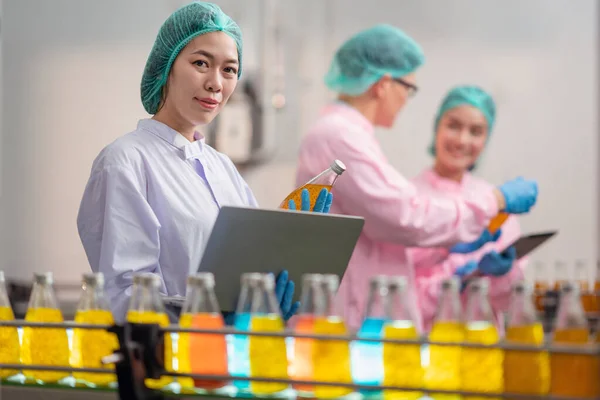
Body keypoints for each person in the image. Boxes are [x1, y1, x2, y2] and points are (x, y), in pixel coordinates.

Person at [76, 2, 332, 323]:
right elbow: (126, 292)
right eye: (201, 63)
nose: (216, 83)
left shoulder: (222, 168)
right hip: (169, 358)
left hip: (228, 353)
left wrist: (277, 270)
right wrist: (209, 316)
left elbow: (247, 265)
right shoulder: (125, 161)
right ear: (166, 65)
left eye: (229, 70)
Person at [294, 24, 538, 331]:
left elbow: (384, 234)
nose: (406, 99)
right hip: (349, 319)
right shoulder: (340, 136)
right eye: (408, 88)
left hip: (363, 317)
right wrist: (496, 200)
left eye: (476, 131)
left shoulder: (349, 135)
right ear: (383, 84)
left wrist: (445, 252)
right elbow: (405, 216)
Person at [409, 85, 525, 332]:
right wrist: (453, 282)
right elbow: (398, 296)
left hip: (484, 346)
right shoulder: (408, 199)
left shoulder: (498, 202)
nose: (463, 140)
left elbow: (510, 302)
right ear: (436, 127)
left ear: (486, 139)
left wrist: (500, 277)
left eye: (476, 131)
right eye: (453, 125)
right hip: (426, 346)